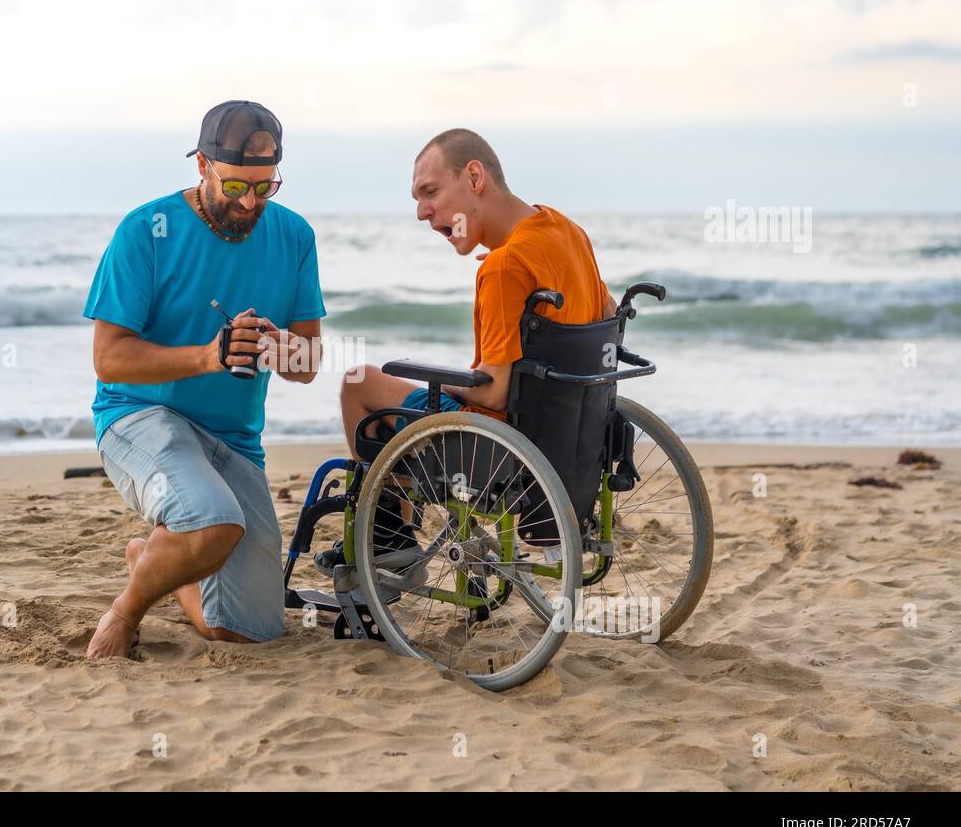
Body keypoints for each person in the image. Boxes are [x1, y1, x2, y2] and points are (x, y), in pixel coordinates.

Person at [83, 100, 325, 658]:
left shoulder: (295, 236)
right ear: (202, 166)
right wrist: (208, 356)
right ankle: (127, 608)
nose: (249, 204)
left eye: (265, 190)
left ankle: (154, 558)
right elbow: (109, 359)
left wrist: (283, 348)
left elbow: (309, 364)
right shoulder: (146, 230)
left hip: (235, 441)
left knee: (246, 630)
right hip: (138, 417)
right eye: (236, 186)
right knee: (213, 521)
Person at [339, 127, 617, 458]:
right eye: (418, 200)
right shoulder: (567, 231)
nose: (421, 212)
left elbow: (494, 393)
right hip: (570, 437)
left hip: (494, 446)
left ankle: (388, 509)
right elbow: (608, 311)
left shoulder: (505, 266)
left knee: (358, 382)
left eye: (431, 192)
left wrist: (443, 382)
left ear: (474, 177)